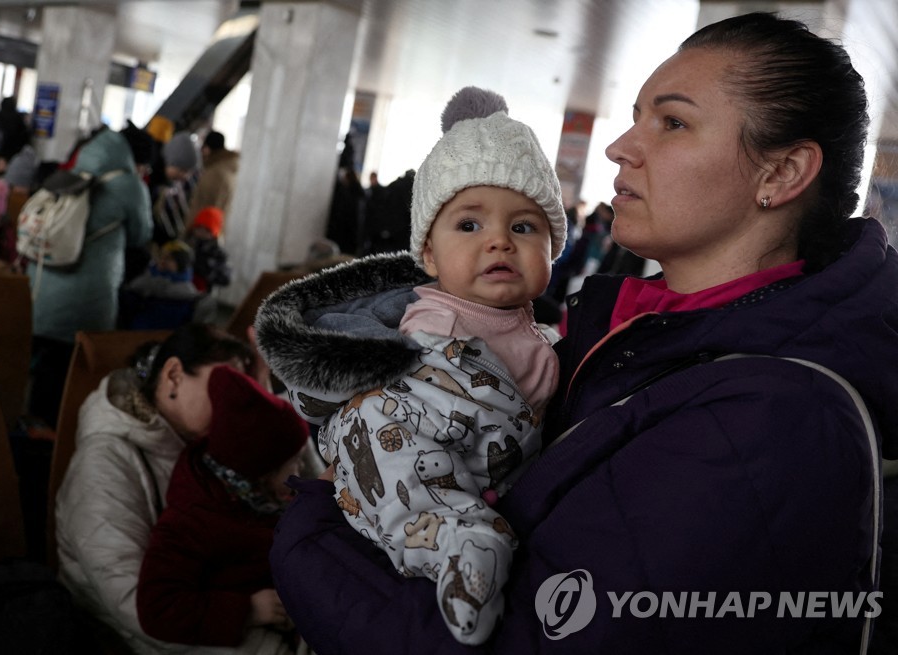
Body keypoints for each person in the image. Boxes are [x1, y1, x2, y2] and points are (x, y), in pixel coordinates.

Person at [258, 12, 898, 653]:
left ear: (781, 173)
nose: (621, 146)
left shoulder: (774, 416)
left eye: (671, 122)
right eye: (636, 115)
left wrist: (311, 523)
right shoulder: (625, 338)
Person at [256, 86, 566, 645]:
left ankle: (470, 545)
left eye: (524, 227)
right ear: (428, 255)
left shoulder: (546, 334)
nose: (499, 241)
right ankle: (457, 547)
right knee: (382, 433)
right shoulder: (434, 323)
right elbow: (406, 398)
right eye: (469, 226)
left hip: (494, 469)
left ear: (553, 249)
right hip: (416, 446)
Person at [54, 324, 260, 655]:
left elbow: (296, 495)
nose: (235, 407)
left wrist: (266, 408)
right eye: (225, 390)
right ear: (175, 376)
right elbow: (135, 607)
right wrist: (247, 614)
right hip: (129, 635)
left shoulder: (202, 441)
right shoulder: (105, 462)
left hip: (217, 603)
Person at [136, 365, 311, 653]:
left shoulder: (267, 498)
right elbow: (158, 608)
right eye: (293, 461)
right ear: (260, 471)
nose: (300, 470)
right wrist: (249, 609)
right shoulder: (192, 521)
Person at [26, 125, 152, 429]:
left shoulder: (73, 172)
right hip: (88, 298)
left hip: (39, 286)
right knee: (71, 371)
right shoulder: (129, 185)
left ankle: (30, 429)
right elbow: (141, 235)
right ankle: (57, 439)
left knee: (40, 367)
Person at [187, 130, 240, 224]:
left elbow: (206, 207)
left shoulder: (215, 174)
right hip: (213, 229)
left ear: (207, 149)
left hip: (203, 231)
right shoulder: (226, 167)